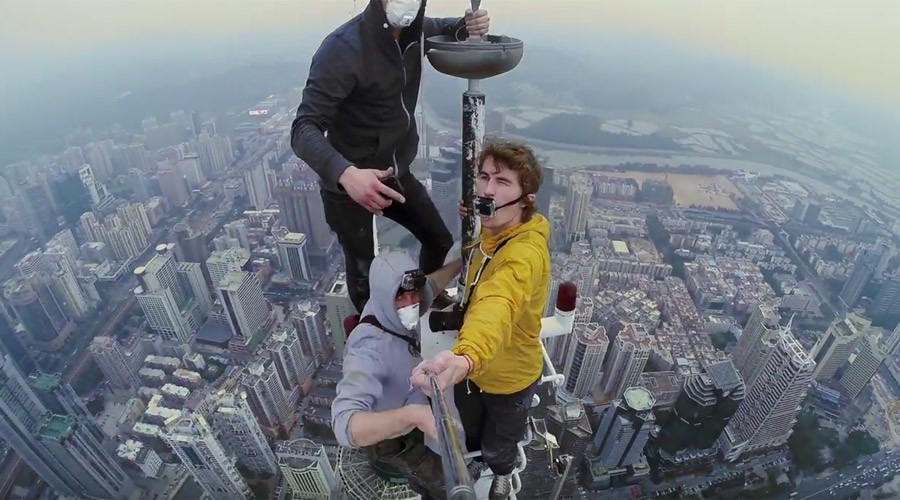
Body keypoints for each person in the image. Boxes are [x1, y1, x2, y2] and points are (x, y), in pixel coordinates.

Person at [291, 0, 490, 313]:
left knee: (439, 240)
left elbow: (448, 27)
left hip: (395, 173)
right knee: (364, 272)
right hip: (349, 185)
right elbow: (303, 128)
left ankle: (428, 300)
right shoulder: (342, 48)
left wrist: (469, 25)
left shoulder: (416, 33)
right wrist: (346, 174)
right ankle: (377, 326)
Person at [411, 140, 551, 499]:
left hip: (508, 378)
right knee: (471, 429)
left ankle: (501, 472)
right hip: (475, 371)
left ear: (527, 199)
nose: (488, 189)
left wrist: (466, 356)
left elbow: (498, 301)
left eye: (502, 182)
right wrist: (476, 216)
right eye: (484, 177)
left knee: (501, 442)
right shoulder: (493, 232)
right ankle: (479, 460)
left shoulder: (524, 254)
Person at [332, 250, 462, 499]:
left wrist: (462, 263)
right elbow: (344, 425)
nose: (410, 303)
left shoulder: (388, 305)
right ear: (386, 296)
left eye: (413, 294)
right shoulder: (368, 350)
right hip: (393, 433)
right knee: (435, 479)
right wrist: (412, 416)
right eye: (400, 296)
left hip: (412, 398)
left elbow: (431, 285)